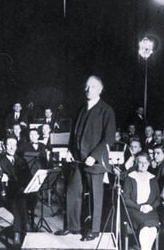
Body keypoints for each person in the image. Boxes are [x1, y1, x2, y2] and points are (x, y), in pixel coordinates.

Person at [55, 75, 116, 242]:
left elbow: (109, 138)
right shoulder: (82, 108)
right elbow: (74, 133)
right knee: (72, 192)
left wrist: (94, 156)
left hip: (94, 162)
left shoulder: (106, 110)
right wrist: (69, 150)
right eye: (87, 87)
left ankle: (94, 230)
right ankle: (72, 226)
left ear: (100, 90)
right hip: (77, 160)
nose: (89, 90)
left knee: (96, 196)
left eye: (93, 87)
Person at [122, 153, 160, 250]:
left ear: (149, 164)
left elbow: (158, 199)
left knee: (152, 229)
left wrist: (151, 207)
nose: (143, 165)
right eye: (140, 163)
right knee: (145, 227)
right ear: (136, 163)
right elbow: (126, 199)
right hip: (135, 210)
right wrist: (140, 207)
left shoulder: (153, 178)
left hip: (150, 210)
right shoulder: (130, 177)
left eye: (146, 163)